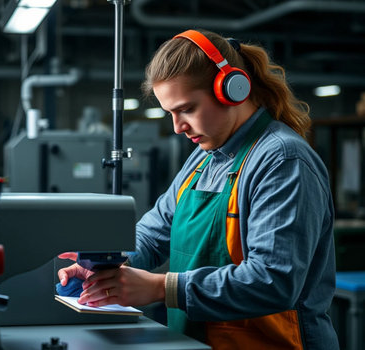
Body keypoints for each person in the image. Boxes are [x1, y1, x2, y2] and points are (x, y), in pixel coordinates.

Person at [57, 29, 339, 350]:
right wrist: (107, 262)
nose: (177, 127)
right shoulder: (202, 160)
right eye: (170, 114)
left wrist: (163, 288)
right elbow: (153, 233)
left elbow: (273, 281)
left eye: (187, 109)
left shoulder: (282, 160)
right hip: (197, 342)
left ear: (232, 91)